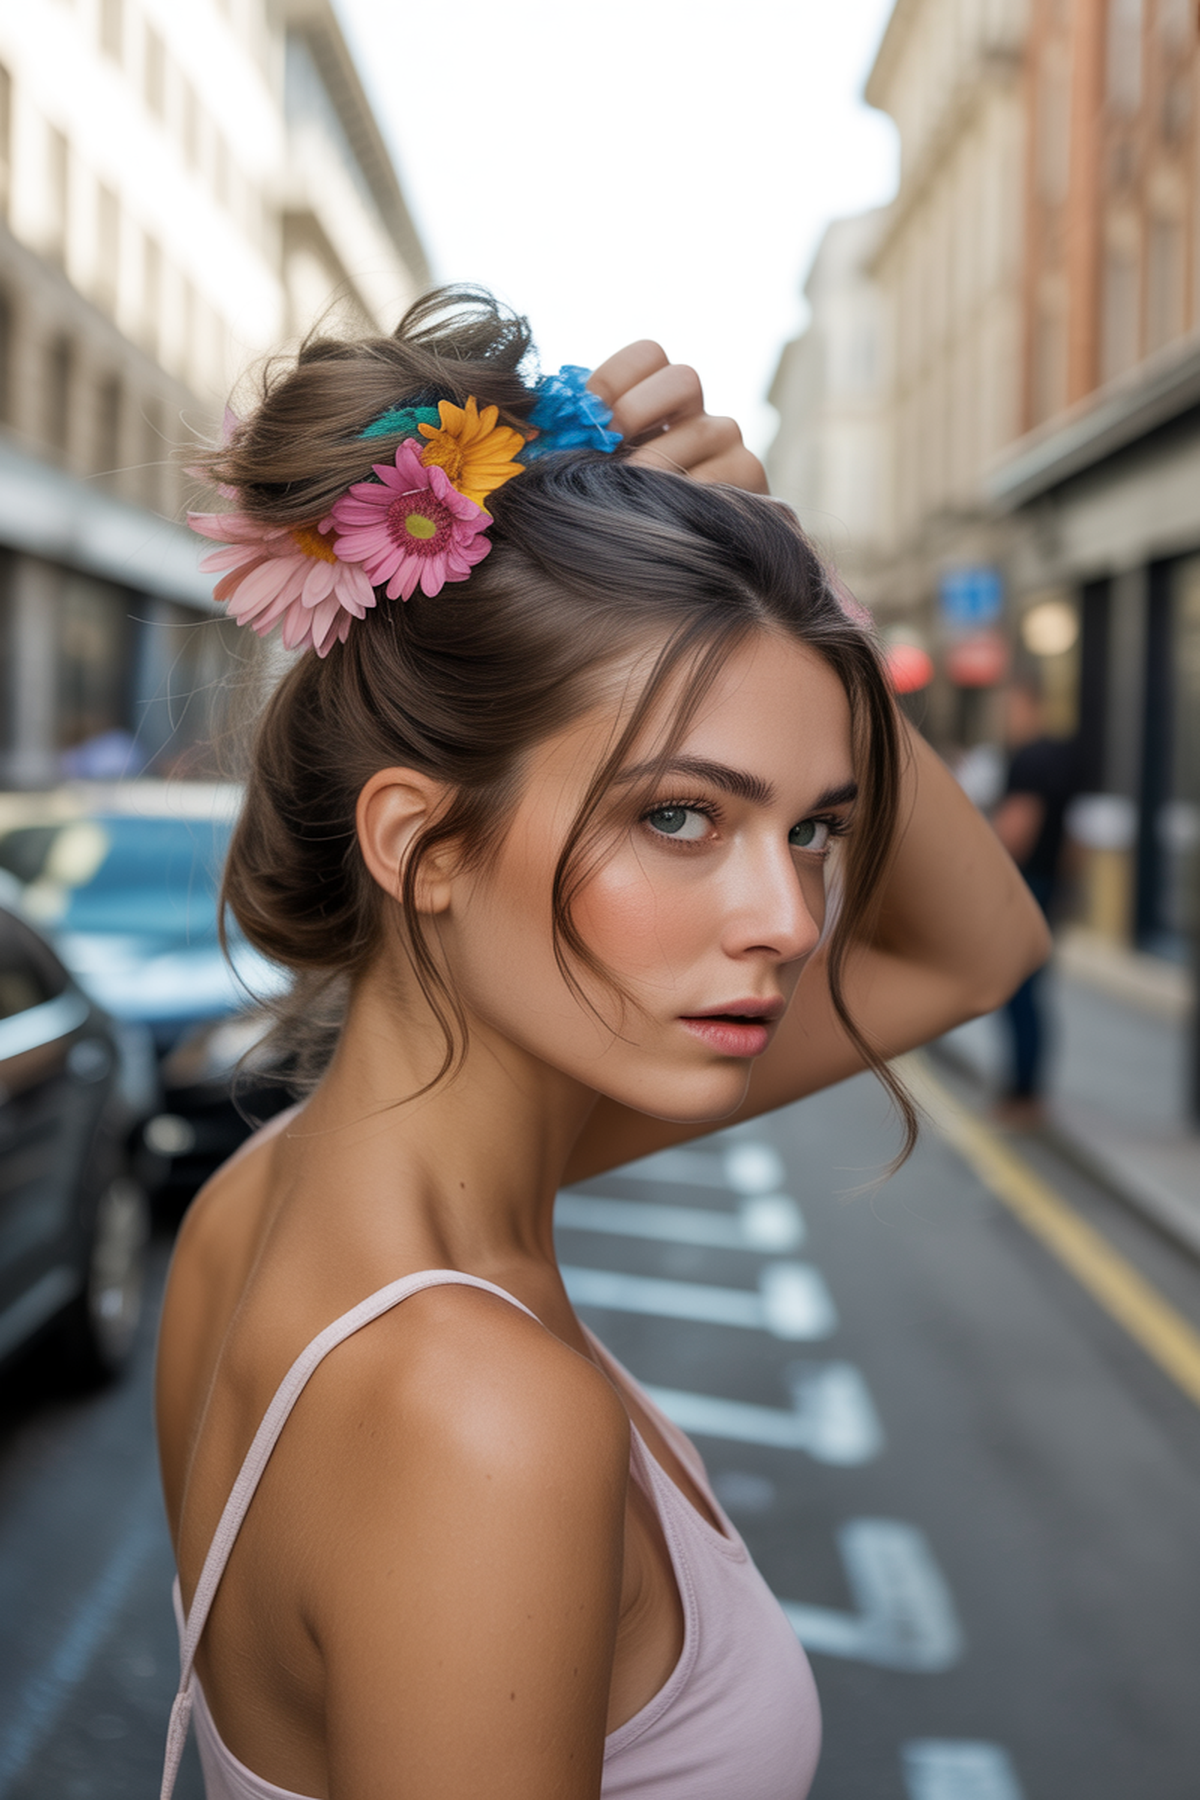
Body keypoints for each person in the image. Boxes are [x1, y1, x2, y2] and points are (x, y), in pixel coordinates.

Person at [157, 288, 1047, 1800]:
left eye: (816, 826)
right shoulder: (481, 1418)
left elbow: (975, 953)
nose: (788, 917)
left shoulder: (266, 1208)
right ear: (421, 844)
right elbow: (970, 957)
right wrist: (792, 588)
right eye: (681, 816)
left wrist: (778, 593)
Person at [991, 678, 1083, 1125]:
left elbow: (1016, 831)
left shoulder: (1027, 759)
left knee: (1017, 992)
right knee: (1035, 990)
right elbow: (1073, 838)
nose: (1004, 719)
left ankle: (1020, 1095)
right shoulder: (1063, 756)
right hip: (1049, 886)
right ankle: (1029, 1092)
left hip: (1024, 886)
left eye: (1008, 709)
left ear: (1026, 705)